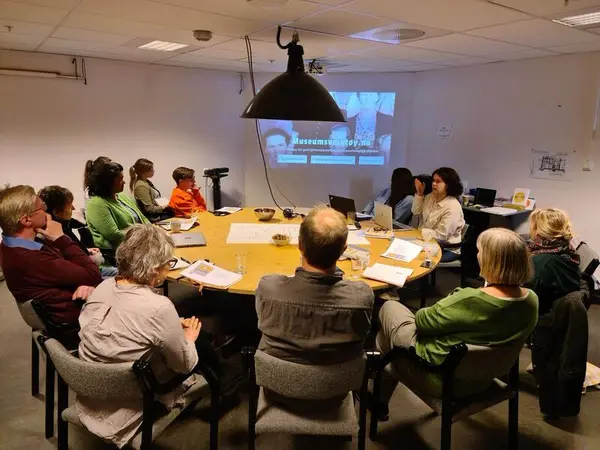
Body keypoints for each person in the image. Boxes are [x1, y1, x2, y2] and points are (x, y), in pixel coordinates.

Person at [374, 228, 538, 420]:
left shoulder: (470, 299)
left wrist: (455, 296)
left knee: (389, 311)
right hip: (483, 377)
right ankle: (379, 399)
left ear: (491, 261)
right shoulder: (531, 300)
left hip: (440, 378)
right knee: (389, 333)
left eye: (480, 251)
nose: (478, 256)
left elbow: (423, 322)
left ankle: (378, 400)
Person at [76, 224, 214, 448]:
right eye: (168, 264)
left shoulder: (102, 287)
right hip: (130, 399)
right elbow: (184, 364)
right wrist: (188, 337)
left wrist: (170, 324)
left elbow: (122, 320)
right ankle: (223, 395)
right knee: (202, 342)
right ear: (153, 270)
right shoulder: (159, 306)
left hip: (91, 388)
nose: (168, 269)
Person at [255, 205, 374, 365]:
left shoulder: (268, 289)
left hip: (276, 386)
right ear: (343, 250)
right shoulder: (362, 297)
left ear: (300, 245)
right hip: (337, 387)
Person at [0, 185, 102, 325]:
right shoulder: (29, 258)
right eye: (42, 208)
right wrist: (61, 238)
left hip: (77, 302)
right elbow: (93, 274)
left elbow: (77, 271)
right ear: (26, 220)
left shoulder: (14, 243)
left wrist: (84, 283)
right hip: (79, 320)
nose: (47, 213)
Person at [39, 185, 118, 278]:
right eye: (69, 205)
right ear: (57, 212)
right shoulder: (54, 236)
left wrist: (86, 251)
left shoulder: (64, 227)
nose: (73, 208)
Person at [86, 161, 149, 263]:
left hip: (138, 246)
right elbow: (114, 235)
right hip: (119, 254)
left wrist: (153, 232)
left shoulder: (122, 198)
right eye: (120, 179)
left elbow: (143, 218)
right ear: (108, 182)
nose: (124, 182)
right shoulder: (96, 204)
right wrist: (144, 236)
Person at [526, 208, 581, 316]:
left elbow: (525, 298)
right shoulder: (566, 249)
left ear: (538, 231)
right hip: (552, 302)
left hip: (536, 312)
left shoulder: (541, 263)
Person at [412, 167, 465, 262]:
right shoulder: (429, 197)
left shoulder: (453, 206)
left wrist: (421, 232)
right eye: (433, 180)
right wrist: (419, 194)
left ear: (448, 185)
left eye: (438, 181)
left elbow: (442, 236)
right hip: (426, 241)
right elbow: (416, 212)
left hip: (446, 248)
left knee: (415, 258)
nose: (434, 184)